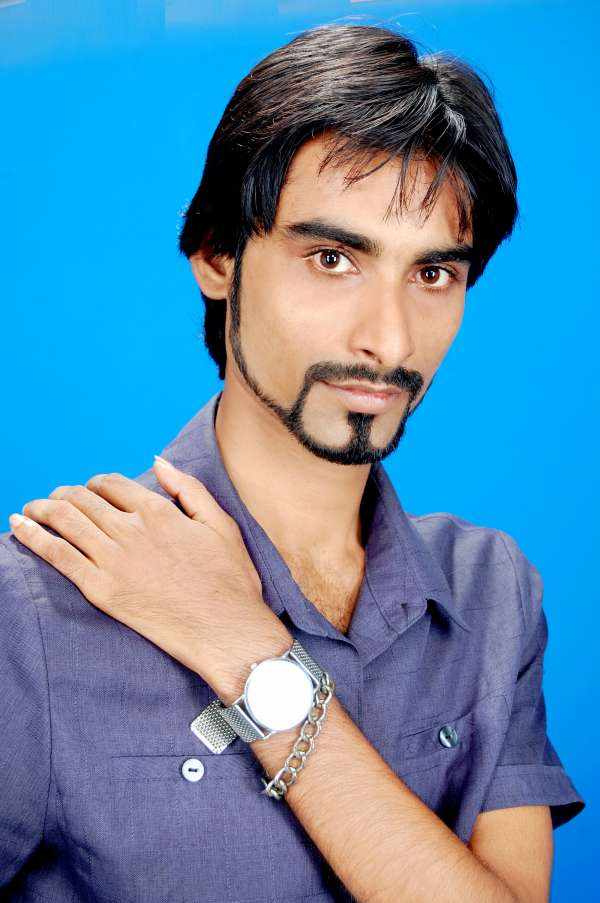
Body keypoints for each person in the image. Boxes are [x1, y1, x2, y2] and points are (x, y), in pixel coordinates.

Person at [0, 22, 585, 903]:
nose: (390, 341)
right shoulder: (34, 609)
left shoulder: (490, 594)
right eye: (332, 258)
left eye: (433, 274)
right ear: (217, 255)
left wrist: (241, 644)